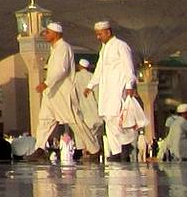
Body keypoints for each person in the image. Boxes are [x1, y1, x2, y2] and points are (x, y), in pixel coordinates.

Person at [83, 21, 144, 161]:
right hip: (106, 91)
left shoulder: (121, 46)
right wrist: (90, 85)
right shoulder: (104, 49)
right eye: (97, 35)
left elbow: (129, 67)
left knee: (116, 119)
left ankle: (125, 145)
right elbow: (99, 69)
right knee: (108, 119)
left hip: (118, 88)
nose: (98, 37)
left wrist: (129, 85)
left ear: (108, 32)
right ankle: (116, 151)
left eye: (100, 34)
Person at [33, 23, 79, 156]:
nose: (45, 35)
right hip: (52, 93)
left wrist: (46, 83)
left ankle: (93, 148)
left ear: (56, 34)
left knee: (74, 121)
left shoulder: (63, 48)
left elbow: (61, 70)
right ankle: (40, 149)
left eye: (48, 32)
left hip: (62, 92)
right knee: (44, 120)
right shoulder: (54, 49)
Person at [70, 60, 103, 158]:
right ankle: (92, 154)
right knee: (94, 138)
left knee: (83, 137)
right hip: (94, 114)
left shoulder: (74, 78)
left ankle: (86, 154)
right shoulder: (93, 77)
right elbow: (98, 95)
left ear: (79, 66)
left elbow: (72, 95)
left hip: (81, 113)